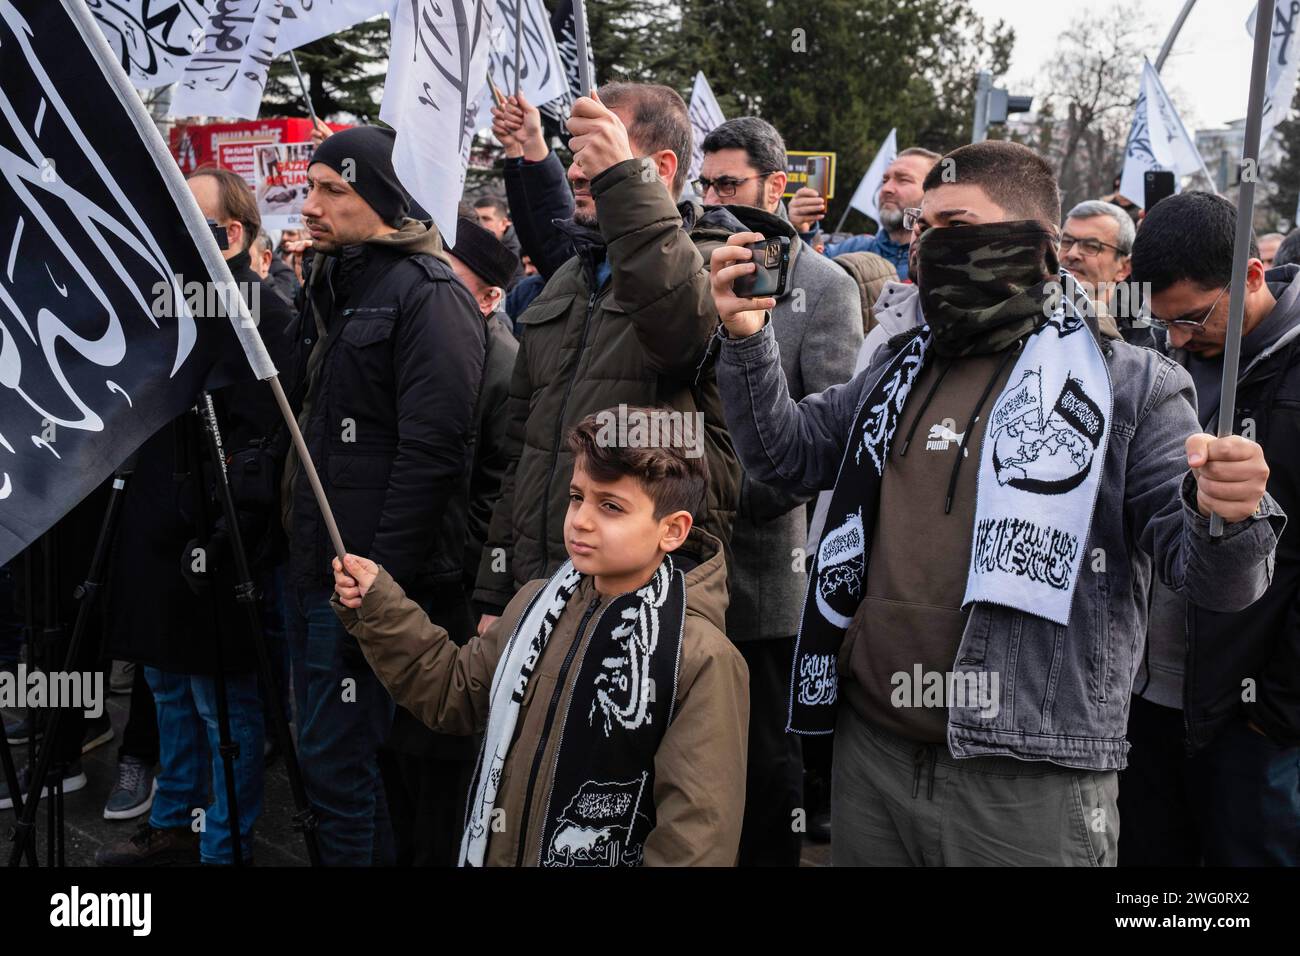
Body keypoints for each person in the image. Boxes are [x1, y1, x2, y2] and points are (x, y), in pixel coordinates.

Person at [709, 140, 1282, 866]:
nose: (927, 245)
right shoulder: (898, 365)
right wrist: (746, 340)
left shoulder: (1134, 386)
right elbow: (784, 457)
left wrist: (1231, 514)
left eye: (953, 224)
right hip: (873, 757)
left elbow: (1213, 580)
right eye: (922, 227)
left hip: (1026, 780)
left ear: (1032, 243)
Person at [331, 410, 749, 866]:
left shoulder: (700, 657)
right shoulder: (537, 603)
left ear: (673, 530)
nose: (581, 520)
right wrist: (380, 605)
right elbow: (456, 692)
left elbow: (697, 838)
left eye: (610, 506)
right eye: (576, 497)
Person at [279, 126, 486, 866]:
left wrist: (378, 584)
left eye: (332, 190)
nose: (310, 205)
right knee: (327, 761)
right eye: (310, 188)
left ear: (386, 199)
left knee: (345, 769)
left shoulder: (428, 296)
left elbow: (434, 455)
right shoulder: (340, 283)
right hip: (315, 569)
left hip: (366, 582)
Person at [472, 84, 743, 638]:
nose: (579, 168)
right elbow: (522, 451)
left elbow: (676, 335)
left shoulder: (716, 264)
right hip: (540, 590)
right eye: (579, 148)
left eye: (603, 143)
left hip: (647, 600)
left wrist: (623, 181)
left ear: (661, 167)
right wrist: (498, 590)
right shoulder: (570, 278)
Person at [94, 166, 296, 865]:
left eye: (188, 216)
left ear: (230, 234)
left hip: (216, 545)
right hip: (153, 533)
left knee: (222, 706)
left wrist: (218, 531)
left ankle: (224, 841)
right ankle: (175, 814)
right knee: (166, 687)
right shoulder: (165, 306)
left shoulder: (264, 317)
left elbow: (262, 445)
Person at [698, 116, 862, 865]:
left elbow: (823, 442)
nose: (713, 198)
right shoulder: (703, 265)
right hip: (679, 566)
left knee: (765, 770)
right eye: (704, 184)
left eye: (728, 184)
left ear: (776, 186)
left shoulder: (825, 288)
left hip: (762, 579)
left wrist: (726, 496)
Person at [1122, 191, 1300, 866]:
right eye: (1161, 321)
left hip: (1250, 720)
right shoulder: (1153, 366)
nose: (1175, 337)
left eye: (1192, 318)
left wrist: (1277, 708)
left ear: (1251, 276)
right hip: (1147, 698)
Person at [787, 147, 941, 280]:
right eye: (885, 180)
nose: (886, 188)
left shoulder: (945, 261)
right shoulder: (855, 248)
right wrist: (802, 230)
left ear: (936, 192)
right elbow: (805, 275)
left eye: (903, 179)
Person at [1059, 200, 1152, 346]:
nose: (1072, 253)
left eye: (1091, 246)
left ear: (1124, 268)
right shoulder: (1030, 317)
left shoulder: (1148, 338)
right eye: (1066, 241)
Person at [472, 194, 526, 289]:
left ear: (504, 223)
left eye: (486, 219)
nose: (479, 224)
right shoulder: (477, 245)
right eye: (476, 219)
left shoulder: (518, 252)